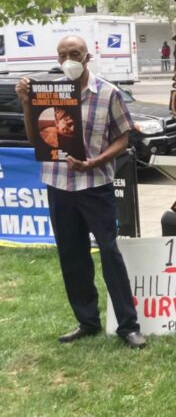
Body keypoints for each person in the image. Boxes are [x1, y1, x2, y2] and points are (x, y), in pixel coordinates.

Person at [15, 36, 146, 349]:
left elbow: (123, 138)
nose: (68, 59)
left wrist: (96, 161)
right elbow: (37, 139)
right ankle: (87, 321)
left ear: (88, 57)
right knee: (72, 255)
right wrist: (26, 104)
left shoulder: (108, 93)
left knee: (110, 253)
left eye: (74, 53)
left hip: (95, 185)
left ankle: (128, 325)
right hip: (59, 184)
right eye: (63, 54)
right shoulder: (48, 93)